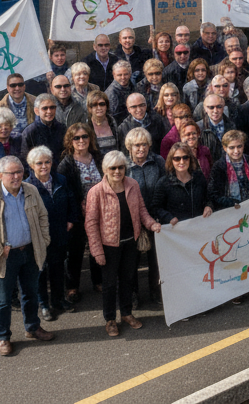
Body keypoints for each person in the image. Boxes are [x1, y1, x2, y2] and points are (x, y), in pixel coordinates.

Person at [0, 156, 55, 356]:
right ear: (0, 175)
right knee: (2, 300)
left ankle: (32, 328)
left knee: (31, 293)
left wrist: (43, 240)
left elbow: (43, 216)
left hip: (29, 250)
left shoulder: (31, 191)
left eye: (19, 172)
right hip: (5, 257)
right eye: (11, 173)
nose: (17, 176)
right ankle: (3, 337)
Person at [85, 149, 161, 337]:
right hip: (108, 247)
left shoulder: (132, 184)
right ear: (105, 169)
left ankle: (126, 313)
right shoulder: (96, 192)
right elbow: (91, 223)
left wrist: (151, 224)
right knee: (110, 284)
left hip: (130, 243)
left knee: (128, 279)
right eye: (113, 168)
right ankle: (110, 319)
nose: (117, 171)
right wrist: (97, 251)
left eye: (120, 167)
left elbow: (142, 210)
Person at [209, 130, 249, 302]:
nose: (236, 151)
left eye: (239, 146)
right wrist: (231, 203)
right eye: (232, 148)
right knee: (233, 254)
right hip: (230, 215)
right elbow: (213, 193)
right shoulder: (219, 167)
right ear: (225, 148)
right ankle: (235, 288)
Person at [25, 146, 77, 323]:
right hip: (39, 237)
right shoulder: (27, 187)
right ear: (32, 165)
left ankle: (58, 300)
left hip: (60, 232)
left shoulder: (60, 179)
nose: (44, 166)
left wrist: (71, 219)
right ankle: (44, 304)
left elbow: (71, 200)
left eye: (47, 162)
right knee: (40, 271)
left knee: (57, 269)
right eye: (39, 163)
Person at [58, 124, 103, 302]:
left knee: (97, 247)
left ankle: (98, 281)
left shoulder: (98, 158)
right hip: (77, 214)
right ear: (70, 141)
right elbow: (65, 192)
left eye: (84, 136)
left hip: (99, 212)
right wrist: (78, 207)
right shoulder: (66, 164)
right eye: (76, 138)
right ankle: (72, 287)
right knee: (75, 252)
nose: (81, 140)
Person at [124, 128, 167, 305]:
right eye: (136, 145)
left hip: (155, 216)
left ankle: (156, 292)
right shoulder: (124, 165)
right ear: (129, 147)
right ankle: (133, 294)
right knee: (132, 261)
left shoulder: (158, 162)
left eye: (144, 144)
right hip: (132, 219)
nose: (141, 148)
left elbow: (165, 186)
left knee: (155, 261)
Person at [156, 142, 213, 228]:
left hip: (200, 227)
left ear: (190, 159)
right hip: (178, 233)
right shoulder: (163, 183)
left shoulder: (199, 177)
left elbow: (209, 197)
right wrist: (168, 217)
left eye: (185, 157)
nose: (181, 162)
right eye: (177, 158)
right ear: (171, 160)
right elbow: (156, 207)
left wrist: (209, 206)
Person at [22, 94, 67, 161]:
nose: (49, 111)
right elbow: (25, 159)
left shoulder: (63, 129)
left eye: (52, 107)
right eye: (45, 108)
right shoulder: (29, 132)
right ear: (37, 111)